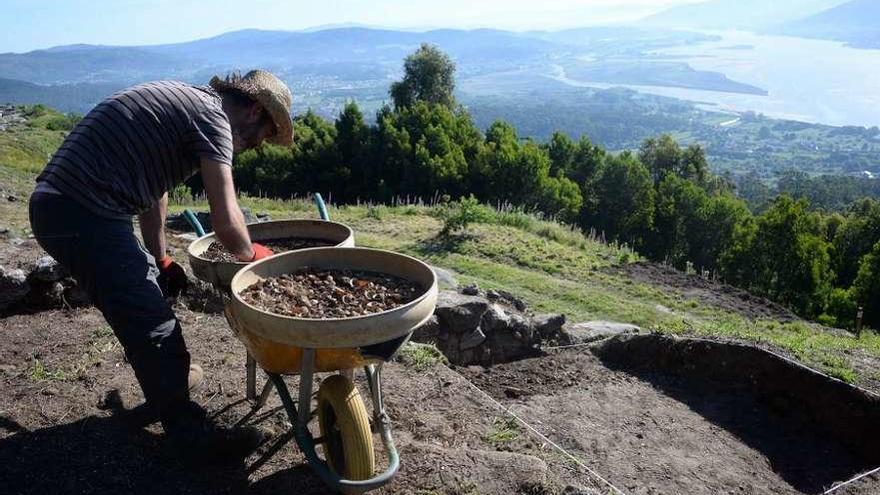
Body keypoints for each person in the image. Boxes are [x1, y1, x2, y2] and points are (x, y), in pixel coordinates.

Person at [28, 70, 292, 464]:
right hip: (81, 210)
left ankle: (167, 387)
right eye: (266, 134)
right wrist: (258, 260)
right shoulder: (215, 120)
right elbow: (227, 222)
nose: (258, 145)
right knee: (150, 320)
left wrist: (160, 257)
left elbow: (155, 190)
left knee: (146, 289)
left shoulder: (189, 103)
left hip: (65, 205)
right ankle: (192, 436)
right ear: (255, 111)